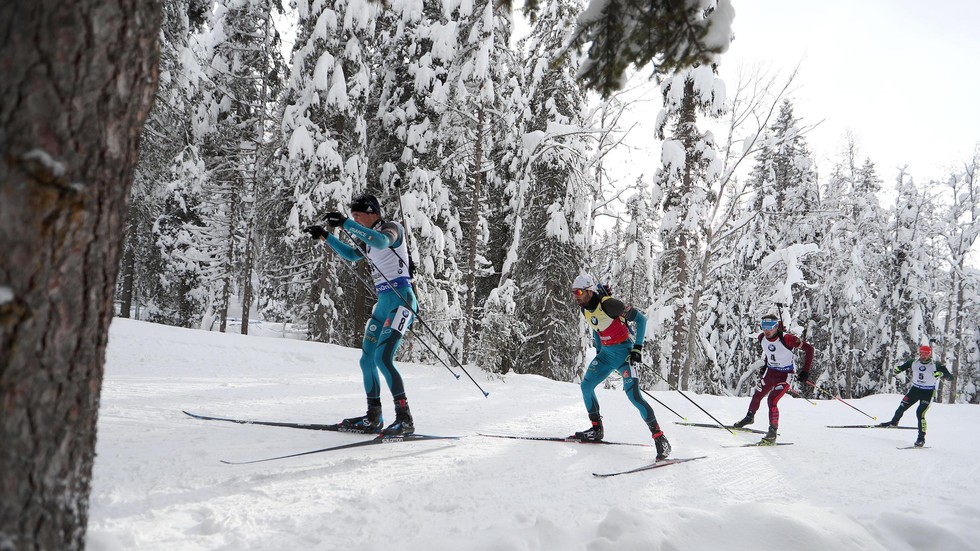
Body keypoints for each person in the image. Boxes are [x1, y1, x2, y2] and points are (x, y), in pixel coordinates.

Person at [303, 193, 418, 436]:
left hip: (401, 301)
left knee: (383, 359)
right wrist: (326, 236)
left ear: (372, 213)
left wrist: (346, 223)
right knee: (367, 359)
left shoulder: (391, 228)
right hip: (384, 303)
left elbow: (380, 242)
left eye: (358, 215)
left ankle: (404, 418)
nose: (355, 219)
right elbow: (353, 255)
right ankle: (373, 416)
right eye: (352, 215)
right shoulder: (367, 239)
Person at [570, 274, 671, 460]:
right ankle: (596, 429)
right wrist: (600, 350)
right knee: (586, 386)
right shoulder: (584, 308)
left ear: (589, 291)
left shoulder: (610, 305)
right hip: (607, 356)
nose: (575, 295)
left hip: (625, 354)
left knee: (633, 395)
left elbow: (641, 320)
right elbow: (596, 326)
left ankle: (660, 438)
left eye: (578, 292)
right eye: (573, 292)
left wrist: (638, 348)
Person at [732, 313, 814, 445]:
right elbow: (771, 352)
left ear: (776, 326)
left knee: (772, 400)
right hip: (770, 373)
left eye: (770, 326)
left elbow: (809, 349)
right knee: (757, 395)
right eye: (764, 326)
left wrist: (805, 372)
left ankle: (772, 432)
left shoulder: (787, 339)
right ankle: (749, 417)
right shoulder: (761, 338)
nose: (766, 330)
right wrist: (765, 365)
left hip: (785, 374)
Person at [878, 345, 954, 447]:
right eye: (921, 353)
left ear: (929, 354)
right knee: (902, 406)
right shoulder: (913, 362)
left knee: (920, 413)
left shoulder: (936, 364)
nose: (923, 356)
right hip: (915, 390)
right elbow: (901, 368)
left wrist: (941, 374)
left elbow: (950, 378)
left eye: (925, 354)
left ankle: (921, 439)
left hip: (928, 392)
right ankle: (894, 422)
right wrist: (898, 369)